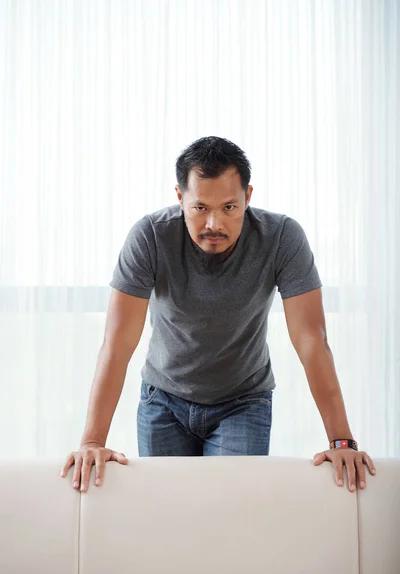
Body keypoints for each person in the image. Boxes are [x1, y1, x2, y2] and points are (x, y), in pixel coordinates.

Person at [60, 136, 376, 493]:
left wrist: (341, 442)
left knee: (231, 514)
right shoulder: (150, 236)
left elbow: (311, 341)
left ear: (248, 197)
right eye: (200, 208)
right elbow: (117, 343)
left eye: (229, 207)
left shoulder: (282, 238)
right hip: (162, 399)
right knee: (169, 516)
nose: (215, 223)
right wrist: (91, 442)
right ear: (180, 198)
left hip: (243, 401)